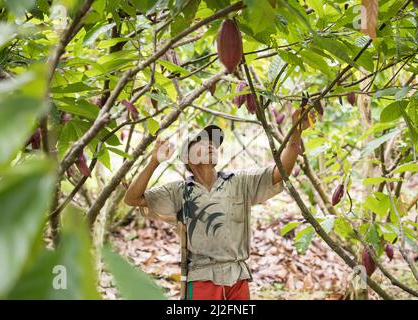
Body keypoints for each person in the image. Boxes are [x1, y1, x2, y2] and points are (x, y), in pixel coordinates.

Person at [124, 109, 312, 300]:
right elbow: (132, 198)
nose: (212, 146)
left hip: (237, 277)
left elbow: (282, 171)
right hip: (201, 279)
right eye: (203, 143)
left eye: (213, 144)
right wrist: (154, 162)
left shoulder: (240, 182)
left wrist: (296, 131)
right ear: (187, 158)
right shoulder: (178, 192)